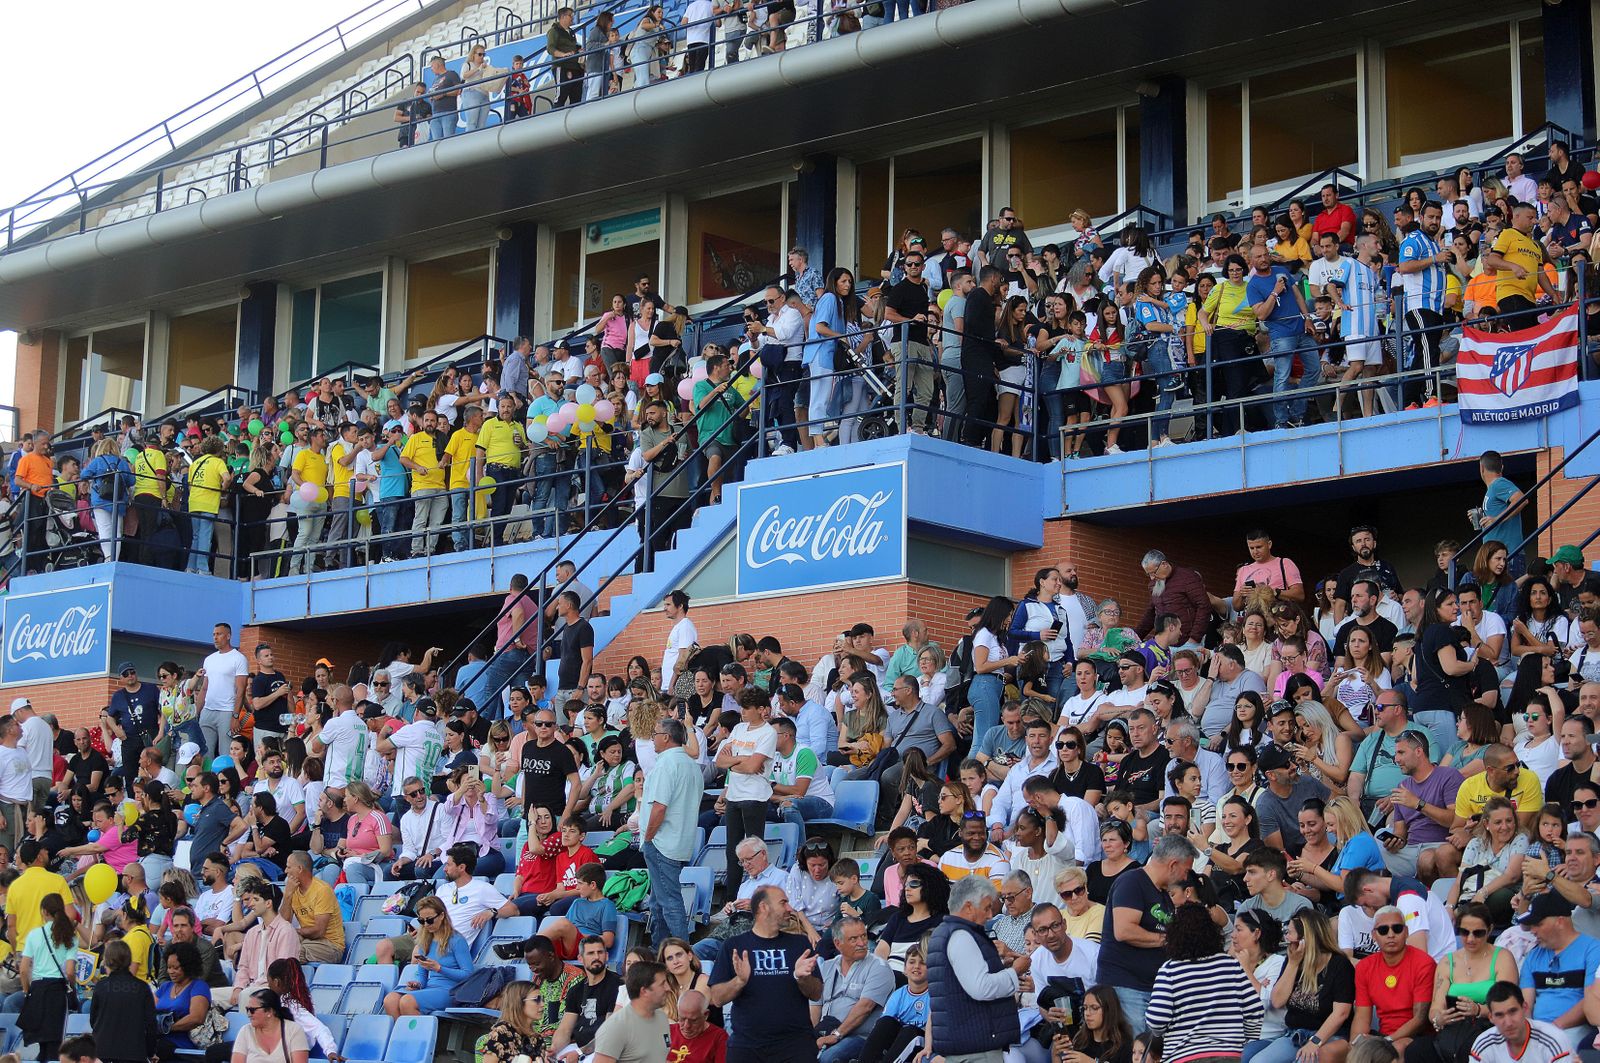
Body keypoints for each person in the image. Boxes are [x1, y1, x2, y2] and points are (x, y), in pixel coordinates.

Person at [708, 886, 822, 1063]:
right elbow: (717, 998)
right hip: (747, 1047)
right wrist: (739, 981)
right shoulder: (734, 946)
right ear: (763, 907)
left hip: (795, 1046)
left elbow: (816, 993)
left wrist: (802, 978)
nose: (790, 908)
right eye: (783, 903)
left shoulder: (800, 944)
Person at [1147, 902, 1265, 1060]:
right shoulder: (1231, 965)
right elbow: (1255, 1011)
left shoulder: (1170, 970)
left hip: (1183, 1055)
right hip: (1228, 1055)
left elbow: (1156, 1020)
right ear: (1211, 932)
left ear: (1174, 934)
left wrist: (1162, 1033)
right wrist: (1244, 1038)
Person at [1247, 909, 1355, 1063]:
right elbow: (1277, 1001)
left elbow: (1341, 1013)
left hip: (1328, 1036)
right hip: (1295, 1034)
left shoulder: (1339, 965)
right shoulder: (1293, 959)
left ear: (1306, 938)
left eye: (1290, 933)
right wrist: (1293, 964)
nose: (1286, 938)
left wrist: (1315, 1041)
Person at [641, 716, 703, 945]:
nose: (652, 739)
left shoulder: (666, 764)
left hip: (662, 841)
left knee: (669, 902)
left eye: (655, 734)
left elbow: (659, 807)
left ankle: (683, 953)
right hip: (680, 841)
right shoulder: (691, 765)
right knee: (658, 902)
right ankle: (660, 950)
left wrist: (649, 837)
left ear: (666, 737)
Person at [1516, 893, 1600, 1050]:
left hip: (1574, 1028)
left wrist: (1553, 1028)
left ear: (1560, 922)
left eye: (1538, 924)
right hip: (1536, 1029)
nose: (1532, 930)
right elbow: (1525, 1003)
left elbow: (1591, 1000)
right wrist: (1529, 1031)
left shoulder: (1593, 949)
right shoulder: (1533, 955)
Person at [1352, 905, 1436, 1052]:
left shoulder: (1424, 963)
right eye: (1383, 930)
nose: (1391, 934)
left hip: (1417, 1038)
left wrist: (1386, 1041)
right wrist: (1354, 1045)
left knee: (1397, 1049)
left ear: (1406, 932)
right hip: (1383, 1036)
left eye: (1397, 928)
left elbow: (1419, 1019)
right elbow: (1361, 1017)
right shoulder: (1364, 967)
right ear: (1374, 935)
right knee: (1337, 1052)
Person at [811, 917, 895, 1063]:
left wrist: (836, 1035)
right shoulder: (826, 967)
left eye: (864, 936)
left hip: (859, 1038)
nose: (862, 943)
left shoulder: (879, 967)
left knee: (827, 1058)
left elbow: (865, 1008)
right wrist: (810, 1037)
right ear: (838, 943)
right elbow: (814, 1007)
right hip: (825, 1032)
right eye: (853, 939)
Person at [383, 895, 473, 1016]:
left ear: (441, 916)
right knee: (390, 1000)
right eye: (421, 921)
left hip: (450, 991)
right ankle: (403, 1028)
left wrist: (439, 968)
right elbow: (422, 977)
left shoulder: (457, 940)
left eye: (429, 920)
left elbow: (468, 975)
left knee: (407, 1001)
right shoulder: (425, 941)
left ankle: (416, 1028)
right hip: (430, 988)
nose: (426, 925)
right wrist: (417, 985)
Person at [17, 892, 79, 1062]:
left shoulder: (34, 934)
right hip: (58, 991)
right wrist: (72, 988)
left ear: (44, 911)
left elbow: (23, 970)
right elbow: (70, 971)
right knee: (56, 1043)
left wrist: (27, 991)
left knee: (41, 1044)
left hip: (37, 990)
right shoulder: (70, 936)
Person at [550, 936, 625, 1061]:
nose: (596, 957)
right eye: (591, 953)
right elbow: (565, 1030)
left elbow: (610, 1034)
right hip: (578, 1047)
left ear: (606, 956)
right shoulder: (576, 990)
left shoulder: (618, 986)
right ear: (580, 958)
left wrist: (580, 1052)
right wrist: (552, 1050)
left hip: (604, 1049)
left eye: (600, 952)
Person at [89, 939, 159, 1063]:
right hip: (134, 1051)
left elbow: (93, 1020)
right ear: (129, 960)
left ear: (107, 961)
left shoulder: (101, 986)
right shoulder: (142, 987)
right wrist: (150, 1051)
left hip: (103, 1050)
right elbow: (151, 1024)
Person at [1469, 982, 1569, 1063]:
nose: (1508, 1023)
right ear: (1491, 1017)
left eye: (1513, 1011)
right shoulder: (1483, 1044)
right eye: (1500, 1015)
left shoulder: (1553, 1040)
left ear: (1524, 1008)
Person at [154, 940, 213, 1055]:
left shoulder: (199, 986)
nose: (171, 971)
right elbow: (148, 1010)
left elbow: (196, 1018)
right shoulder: (165, 987)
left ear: (188, 966)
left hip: (181, 1044)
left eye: (175, 968)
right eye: (169, 967)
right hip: (159, 1040)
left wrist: (167, 1028)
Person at [232, 988, 311, 1063]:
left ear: (269, 1011)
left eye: (252, 1010)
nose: (249, 1014)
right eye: (247, 1009)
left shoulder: (294, 1030)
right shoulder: (246, 1031)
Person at [479, 979, 547, 1063]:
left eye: (543, 999)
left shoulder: (538, 1038)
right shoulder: (501, 1032)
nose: (543, 1004)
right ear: (519, 1002)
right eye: (537, 999)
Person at [670, 989, 728, 1063]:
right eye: (682, 1019)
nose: (687, 1026)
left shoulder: (719, 1037)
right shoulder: (666, 1031)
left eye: (693, 1021)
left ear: (706, 1015)